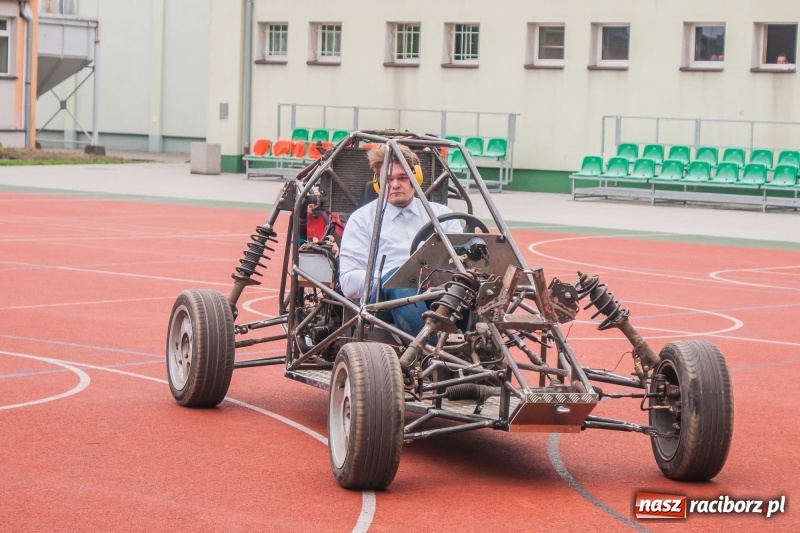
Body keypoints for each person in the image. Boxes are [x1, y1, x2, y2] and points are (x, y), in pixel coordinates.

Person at [338, 143, 462, 336]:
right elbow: (348, 283)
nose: (395, 185)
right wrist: (398, 275)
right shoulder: (362, 219)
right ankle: (428, 357)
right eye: (388, 179)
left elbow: (462, 263)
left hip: (439, 294)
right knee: (401, 283)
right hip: (383, 303)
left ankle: (478, 352)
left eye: (402, 178)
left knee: (469, 286)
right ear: (378, 183)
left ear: (416, 179)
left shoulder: (442, 215)